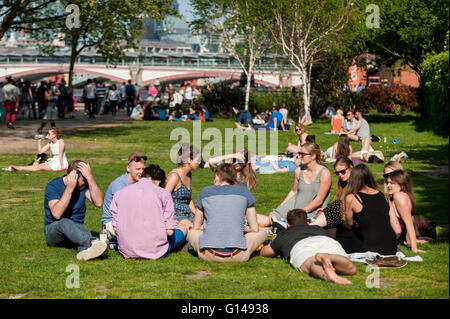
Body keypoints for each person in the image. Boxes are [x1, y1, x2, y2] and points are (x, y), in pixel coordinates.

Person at [186, 163, 268, 262]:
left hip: (207, 254)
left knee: (192, 232)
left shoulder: (205, 192)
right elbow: (254, 228)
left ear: (217, 176)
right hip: (239, 255)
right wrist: (242, 228)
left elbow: (196, 226)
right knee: (262, 232)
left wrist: (210, 226)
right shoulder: (244, 192)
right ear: (235, 177)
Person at [110, 166, 190, 260]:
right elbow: (169, 232)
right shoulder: (164, 194)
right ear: (159, 181)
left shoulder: (120, 193)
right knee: (183, 229)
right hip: (154, 250)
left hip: (127, 249)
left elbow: (115, 228)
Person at [260, 209, 356, 284]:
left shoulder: (285, 233)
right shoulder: (318, 228)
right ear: (307, 222)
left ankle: (326, 276)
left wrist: (274, 243)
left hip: (301, 245)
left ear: (288, 225)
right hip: (325, 240)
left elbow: (265, 252)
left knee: (311, 264)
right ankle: (329, 256)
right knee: (351, 269)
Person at [43, 160, 106, 261]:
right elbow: (57, 214)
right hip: (54, 231)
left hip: (76, 230)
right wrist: (69, 188)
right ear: (74, 177)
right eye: (84, 179)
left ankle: (88, 252)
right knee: (64, 222)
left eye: (87, 178)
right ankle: (93, 242)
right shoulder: (53, 185)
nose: (86, 182)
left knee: (82, 230)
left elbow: (98, 202)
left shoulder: (83, 186)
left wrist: (90, 178)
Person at [259, 142, 332, 226]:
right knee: (270, 219)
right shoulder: (298, 171)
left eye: (302, 154)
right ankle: (245, 220)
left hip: (313, 210)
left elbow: (319, 201)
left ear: (313, 156)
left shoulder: (324, 174)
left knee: (293, 225)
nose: (299, 157)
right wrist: (280, 208)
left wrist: (299, 212)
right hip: (296, 204)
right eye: (299, 153)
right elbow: (293, 191)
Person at [339, 164, 398, 255]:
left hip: (371, 247)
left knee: (342, 234)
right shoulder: (384, 196)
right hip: (391, 247)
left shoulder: (352, 198)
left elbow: (349, 224)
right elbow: (397, 230)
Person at [101, 153, 147, 248]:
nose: (141, 172)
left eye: (143, 169)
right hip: (110, 223)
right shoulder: (119, 185)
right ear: (128, 168)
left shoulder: (141, 182)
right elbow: (125, 212)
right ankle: (114, 242)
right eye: (137, 169)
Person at [384, 169, 425, 253]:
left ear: (401, 185)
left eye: (391, 183)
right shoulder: (404, 195)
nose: (388, 186)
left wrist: (414, 248)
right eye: (387, 182)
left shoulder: (399, 197)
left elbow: (409, 223)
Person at [310, 157, 354, 229]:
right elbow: (338, 200)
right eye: (337, 173)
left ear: (351, 168)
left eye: (342, 171)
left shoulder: (357, 184)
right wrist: (326, 210)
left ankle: (309, 227)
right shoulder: (342, 184)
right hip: (341, 216)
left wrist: (330, 211)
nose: (340, 175)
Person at [164, 143, 201, 225]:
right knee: (194, 227)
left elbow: (188, 199)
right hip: (175, 217)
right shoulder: (174, 176)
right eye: (197, 160)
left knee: (206, 222)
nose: (199, 163)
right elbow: (163, 198)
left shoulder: (189, 175)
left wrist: (198, 214)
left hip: (187, 216)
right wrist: (167, 219)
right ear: (189, 160)